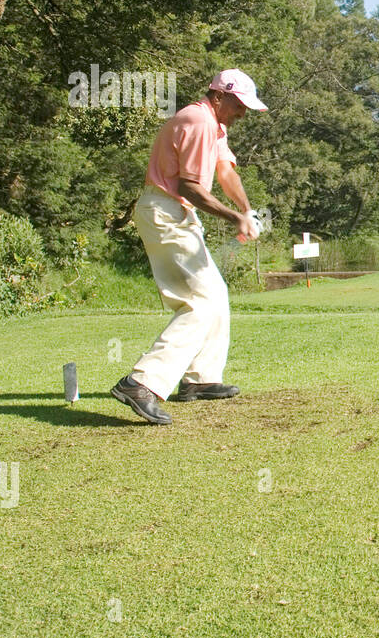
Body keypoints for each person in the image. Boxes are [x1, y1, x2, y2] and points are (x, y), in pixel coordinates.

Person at [110, 69, 268, 424]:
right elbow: (190, 187)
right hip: (166, 210)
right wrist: (234, 219)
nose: (243, 113)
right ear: (220, 96)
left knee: (216, 294)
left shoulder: (214, 125)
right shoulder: (197, 121)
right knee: (199, 301)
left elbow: (225, 173)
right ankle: (141, 383)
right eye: (240, 105)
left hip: (174, 212)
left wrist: (246, 210)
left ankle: (200, 379)